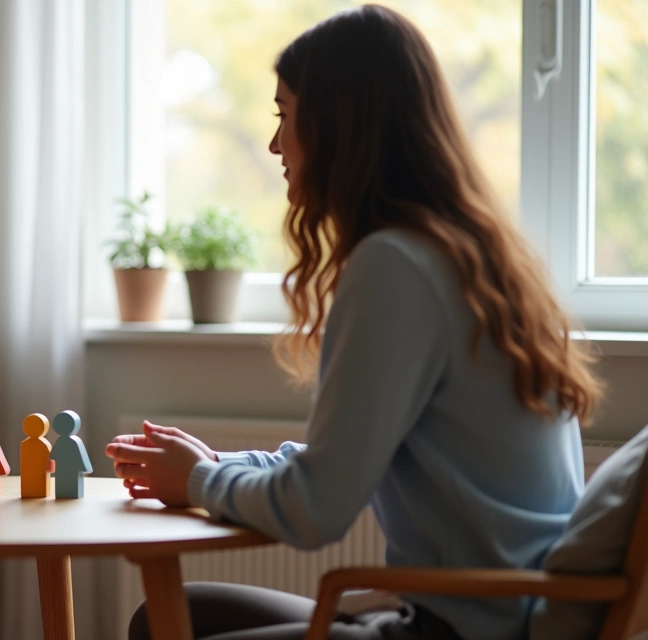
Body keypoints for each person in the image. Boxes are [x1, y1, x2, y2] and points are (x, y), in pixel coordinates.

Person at [106, 5, 603, 640]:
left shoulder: (395, 265)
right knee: (169, 616)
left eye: (286, 116)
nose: (274, 143)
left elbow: (316, 509)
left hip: (459, 630)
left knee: (163, 624)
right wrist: (217, 465)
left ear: (339, 126)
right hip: (500, 615)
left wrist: (202, 480)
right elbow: (347, 459)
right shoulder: (470, 257)